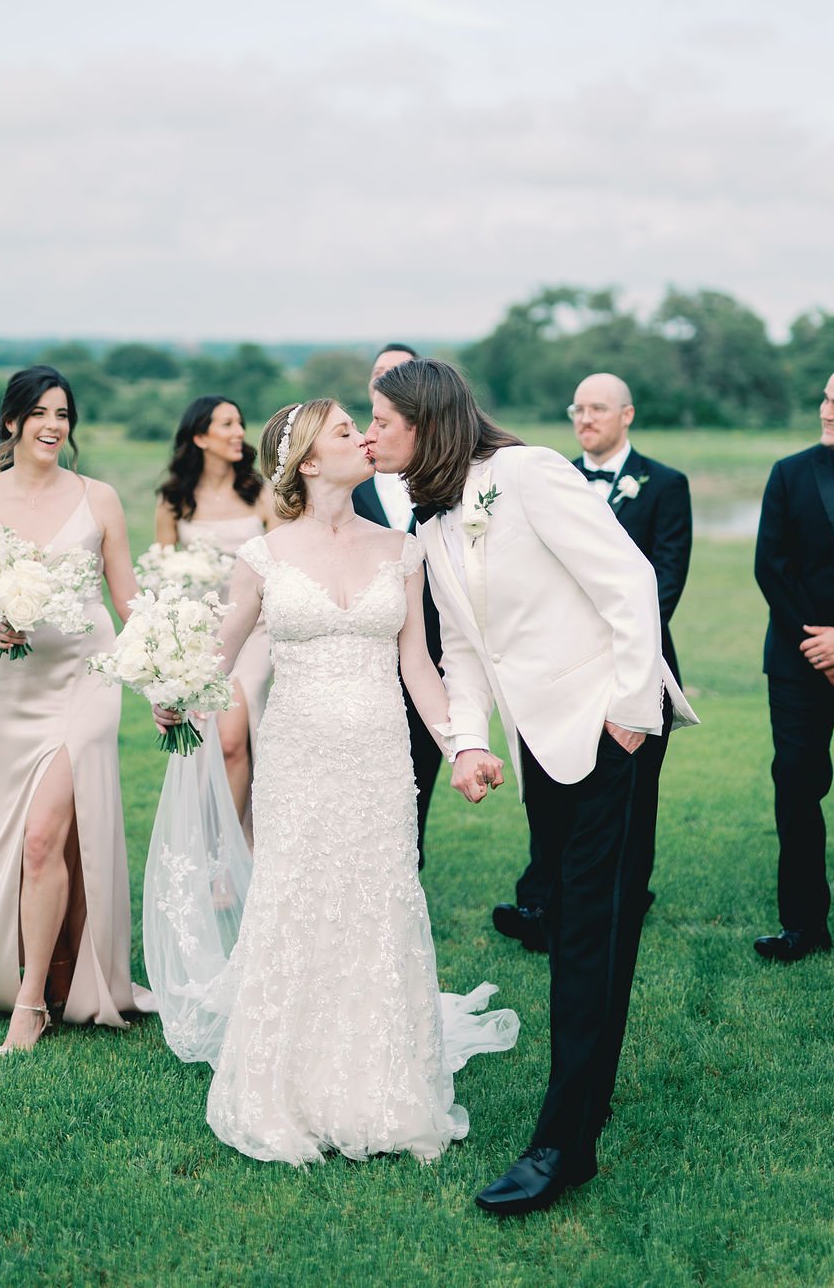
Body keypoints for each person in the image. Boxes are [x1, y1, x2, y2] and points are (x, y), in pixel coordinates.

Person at [365, 358, 696, 1216]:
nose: (371, 435)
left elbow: (628, 581)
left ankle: (562, 1142)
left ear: (426, 420)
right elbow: (467, 652)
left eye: (381, 420)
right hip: (540, 744)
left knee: (585, 927)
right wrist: (468, 740)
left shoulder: (526, 473)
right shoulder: (434, 521)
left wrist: (629, 712)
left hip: (609, 725)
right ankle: (589, 1094)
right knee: (589, 923)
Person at [148, 398, 518, 1164]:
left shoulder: (403, 549)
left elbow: (418, 665)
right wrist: (175, 694)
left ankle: (381, 1079)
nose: (367, 436)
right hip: (300, 759)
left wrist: (460, 747)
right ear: (309, 461)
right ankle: (289, 1081)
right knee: (301, 897)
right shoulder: (265, 556)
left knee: (378, 898)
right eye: (349, 430)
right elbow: (220, 652)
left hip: (381, 758)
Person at [0, 366, 154, 1052]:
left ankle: (31, 1004)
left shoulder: (101, 499)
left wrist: (169, 659)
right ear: (13, 421)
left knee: (43, 837)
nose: (54, 424)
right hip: (8, 689)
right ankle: (54, 970)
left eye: (64, 413)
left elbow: (127, 599)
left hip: (85, 677)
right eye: (41, 412)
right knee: (21, 836)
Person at [497, 371, 693, 950]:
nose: (585, 420)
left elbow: (665, 579)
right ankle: (544, 902)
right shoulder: (548, 479)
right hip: (558, 671)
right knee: (554, 783)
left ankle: (626, 898)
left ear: (627, 415)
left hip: (638, 666)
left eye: (598, 409)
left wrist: (606, 643)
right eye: (577, 409)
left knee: (631, 794)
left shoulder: (664, 484)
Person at [753, 356, 834, 963]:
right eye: (825, 399)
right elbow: (771, 568)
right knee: (797, 786)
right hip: (798, 666)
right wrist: (823, 647)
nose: (825, 411)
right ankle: (803, 924)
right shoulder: (789, 473)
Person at [155, 396, 277, 837]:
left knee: (231, 735)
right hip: (202, 635)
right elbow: (161, 574)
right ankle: (216, 844)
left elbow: (283, 563)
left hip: (256, 633)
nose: (238, 431)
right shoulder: (174, 500)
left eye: (240, 422)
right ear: (200, 436)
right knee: (213, 745)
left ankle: (234, 854)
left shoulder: (260, 492)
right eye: (226, 424)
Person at [352, 343, 443, 866]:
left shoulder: (437, 476)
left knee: (420, 761)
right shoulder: (350, 464)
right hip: (360, 645)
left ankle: (410, 857)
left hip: (428, 645)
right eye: (379, 373)